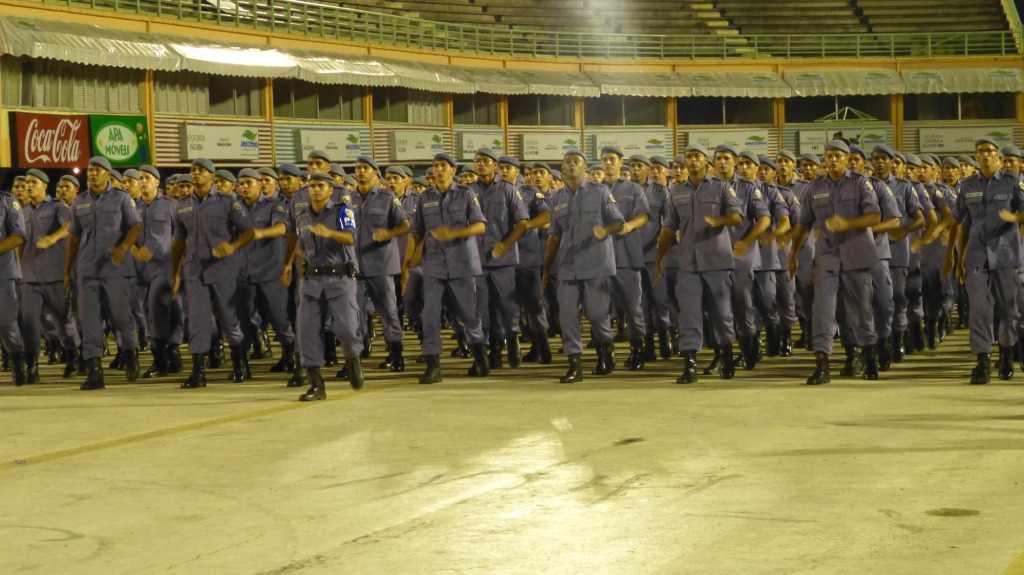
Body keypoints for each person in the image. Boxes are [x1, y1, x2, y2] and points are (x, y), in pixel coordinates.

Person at [788, 141, 881, 385]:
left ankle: (868, 357)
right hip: (827, 257)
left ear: (847, 158)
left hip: (857, 256)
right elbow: (803, 224)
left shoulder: (860, 183)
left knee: (861, 309)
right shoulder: (814, 187)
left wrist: (848, 224)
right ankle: (822, 365)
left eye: (838, 156)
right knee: (823, 310)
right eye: (829, 156)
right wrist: (793, 254)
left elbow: (874, 216)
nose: (832, 160)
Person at [654, 144, 743, 384]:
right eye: (689, 157)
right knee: (688, 314)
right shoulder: (676, 192)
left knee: (721, 314)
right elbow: (668, 227)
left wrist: (719, 220)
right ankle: (690, 363)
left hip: (717, 262)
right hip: (688, 264)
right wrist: (659, 258)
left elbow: (737, 216)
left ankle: (725, 355)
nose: (692, 161)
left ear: (706, 161)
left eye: (697, 157)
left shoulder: (721, 187)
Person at [945, 137, 1024, 383]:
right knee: (979, 310)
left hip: (1006, 255)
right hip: (977, 256)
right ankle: (982, 361)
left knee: (1009, 310)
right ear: (977, 157)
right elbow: (962, 224)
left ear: (997, 156)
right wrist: (958, 259)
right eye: (981, 151)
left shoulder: (1013, 182)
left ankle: (1006, 355)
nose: (986, 155)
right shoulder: (967, 186)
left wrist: (1015, 217)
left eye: (990, 151)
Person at [404, 153, 489, 384]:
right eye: (436, 165)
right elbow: (415, 231)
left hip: (462, 264)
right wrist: (408, 262)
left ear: (453, 170)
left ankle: (480, 357)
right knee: (430, 316)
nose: (439, 169)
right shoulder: (425, 198)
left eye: (444, 165)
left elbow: (480, 226)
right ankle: (433, 366)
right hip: (434, 266)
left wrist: (454, 233)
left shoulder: (466, 194)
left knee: (468, 315)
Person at [542, 148, 624, 383]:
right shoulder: (556, 199)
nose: (571, 165)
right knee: (567, 316)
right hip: (567, 267)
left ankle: (605, 351)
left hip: (596, 264)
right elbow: (554, 236)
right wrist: (546, 269)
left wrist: (605, 230)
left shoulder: (600, 192)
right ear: (562, 168)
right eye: (567, 162)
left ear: (584, 167)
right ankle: (574, 364)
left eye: (576, 161)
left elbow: (618, 222)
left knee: (597, 315)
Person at [170, 158, 253, 388]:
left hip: (222, 269)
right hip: (194, 270)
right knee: (197, 321)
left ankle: (240, 364)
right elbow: (178, 242)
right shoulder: (181, 206)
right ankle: (198, 373)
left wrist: (233, 246)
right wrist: (175, 273)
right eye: (193, 170)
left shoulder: (227, 202)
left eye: (201, 170)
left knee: (228, 319)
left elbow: (249, 232)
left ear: (211, 176)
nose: (195, 173)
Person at [64, 157, 142, 390]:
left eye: (98, 170)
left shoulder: (122, 199)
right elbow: (73, 238)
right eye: (90, 170)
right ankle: (95, 371)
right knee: (88, 321)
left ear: (108, 174)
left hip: (116, 271)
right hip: (87, 271)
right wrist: (67, 271)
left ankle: (130, 352)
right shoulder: (79, 202)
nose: (92, 173)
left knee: (120, 318)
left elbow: (136, 227)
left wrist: (123, 248)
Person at [293, 172, 365, 399]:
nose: (315, 189)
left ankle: (353, 360)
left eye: (320, 186)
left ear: (330, 190)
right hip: (311, 281)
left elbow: (351, 238)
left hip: (339, 279)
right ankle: (316, 385)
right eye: (312, 186)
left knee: (346, 328)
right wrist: (295, 264)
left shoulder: (342, 211)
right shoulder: (302, 216)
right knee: (307, 332)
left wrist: (330, 233)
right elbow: (301, 245)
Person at [348, 156, 410, 374]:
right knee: (353, 315)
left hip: (381, 265)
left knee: (389, 313)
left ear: (375, 173)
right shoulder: (347, 199)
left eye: (365, 168)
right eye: (358, 168)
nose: (361, 171)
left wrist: (389, 233)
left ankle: (396, 354)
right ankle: (354, 362)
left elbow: (405, 225)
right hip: (354, 267)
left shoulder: (387, 198)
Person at [233, 168, 298, 378]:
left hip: (270, 272)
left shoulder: (274, 205)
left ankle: (291, 357)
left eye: (248, 183)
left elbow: (282, 228)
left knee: (279, 318)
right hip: (243, 273)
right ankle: (241, 365)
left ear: (258, 185)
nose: (244, 187)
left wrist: (258, 233)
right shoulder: (233, 207)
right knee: (242, 320)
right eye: (240, 183)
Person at [19, 168, 81, 382]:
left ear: (44, 186)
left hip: (54, 274)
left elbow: (70, 225)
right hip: (29, 276)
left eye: (33, 182)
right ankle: (31, 364)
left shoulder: (57, 207)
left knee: (62, 319)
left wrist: (53, 238)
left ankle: (73, 354)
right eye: (27, 182)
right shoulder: (22, 211)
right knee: (28, 321)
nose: (29, 186)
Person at [471, 149, 529, 369]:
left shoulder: (508, 190)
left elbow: (522, 223)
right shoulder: (467, 192)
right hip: (477, 260)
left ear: (494, 165)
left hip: (502, 260)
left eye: (485, 161)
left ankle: (512, 339)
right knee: (482, 309)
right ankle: (493, 350)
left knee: (505, 306)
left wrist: (505, 244)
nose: (480, 164)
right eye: (477, 161)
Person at [131, 165, 184, 378]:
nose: (143, 181)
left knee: (160, 308)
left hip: (165, 266)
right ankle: (167, 355)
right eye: (140, 178)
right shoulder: (132, 207)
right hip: (140, 269)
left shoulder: (171, 206)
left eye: (147, 178)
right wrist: (135, 250)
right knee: (146, 311)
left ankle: (164, 355)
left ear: (156, 182)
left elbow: (181, 236)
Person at [602, 149, 650, 370]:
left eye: (612, 159)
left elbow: (644, 215)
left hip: (626, 256)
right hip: (600, 257)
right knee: (600, 308)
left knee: (633, 307)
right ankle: (606, 354)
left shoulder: (633, 189)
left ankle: (636, 350)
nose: (608, 163)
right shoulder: (594, 189)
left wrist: (630, 225)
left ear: (620, 162)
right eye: (604, 159)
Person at [0, 180, 27, 385]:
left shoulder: (7, 201)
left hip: (4, 273)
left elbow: (18, 236)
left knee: (6, 323)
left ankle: (17, 358)